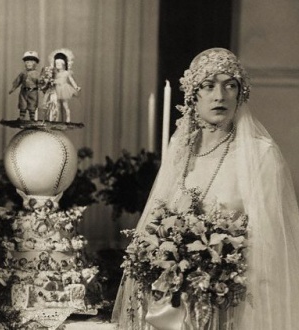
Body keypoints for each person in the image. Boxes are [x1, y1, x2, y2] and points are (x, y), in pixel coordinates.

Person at [112, 48, 299, 329]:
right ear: (193, 96)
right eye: (208, 86)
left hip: (233, 302)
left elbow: (271, 244)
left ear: (240, 94)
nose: (219, 96)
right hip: (174, 305)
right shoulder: (181, 150)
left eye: (230, 85)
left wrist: (217, 271)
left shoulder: (261, 154)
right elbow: (156, 225)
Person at [9, 50, 40, 121]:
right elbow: (18, 81)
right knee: (22, 104)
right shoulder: (23, 73)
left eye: (31, 62)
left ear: (35, 63)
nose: (29, 64)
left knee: (32, 104)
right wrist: (13, 88)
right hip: (23, 92)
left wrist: (44, 88)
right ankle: (22, 117)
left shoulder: (37, 74)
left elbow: (40, 83)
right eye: (27, 62)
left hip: (33, 92)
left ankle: (32, 118)